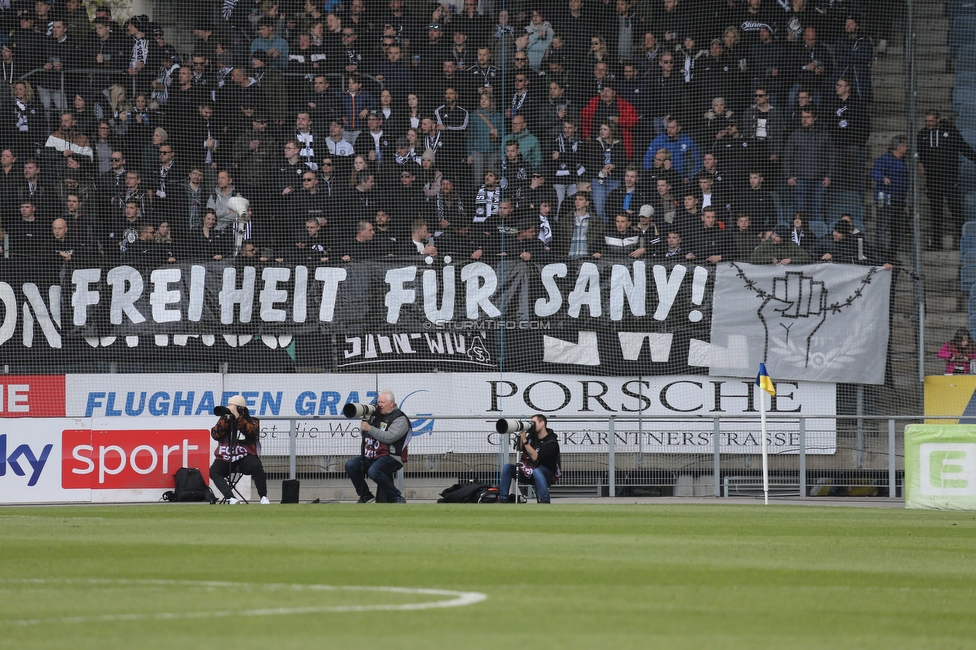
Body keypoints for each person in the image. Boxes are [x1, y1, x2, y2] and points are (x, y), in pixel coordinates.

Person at [344, 390, 412, 503]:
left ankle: (396, 496)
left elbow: (390, 437)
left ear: (391, 403)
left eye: (382, 402)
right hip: (373, 455)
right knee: (351, 465)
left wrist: (369, 428)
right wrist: (367, 421)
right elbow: (364, 434)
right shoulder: (375, 416)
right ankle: (365, 495)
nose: (379, 405)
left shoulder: (400, 418)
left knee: (374, 471)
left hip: (392, 456)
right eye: (378, 402)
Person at [210, 395, 270, 505]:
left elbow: (251, 432)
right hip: (226, 457)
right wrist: (225, 420)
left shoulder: (253, 421)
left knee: (257, 466)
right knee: (213, 471)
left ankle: (263, 497)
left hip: (245, 457)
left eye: (232, 407)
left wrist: (238, 417)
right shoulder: (225, 420)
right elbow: (215, 435)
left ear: (240, 408)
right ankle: (231, 498)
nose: (230, 409)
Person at [498, 414, 561, 504]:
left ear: (542, 423)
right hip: (528, 472)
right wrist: (521, 435)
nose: (532, 425)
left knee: (537, 471)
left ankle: (545, 500)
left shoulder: (551, 441)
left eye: (534, 423)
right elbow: (517, 448)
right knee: (507, 467)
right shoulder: (531, 436)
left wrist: (525, 441)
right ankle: (503, 498)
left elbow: (535, 457)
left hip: (546, 474)